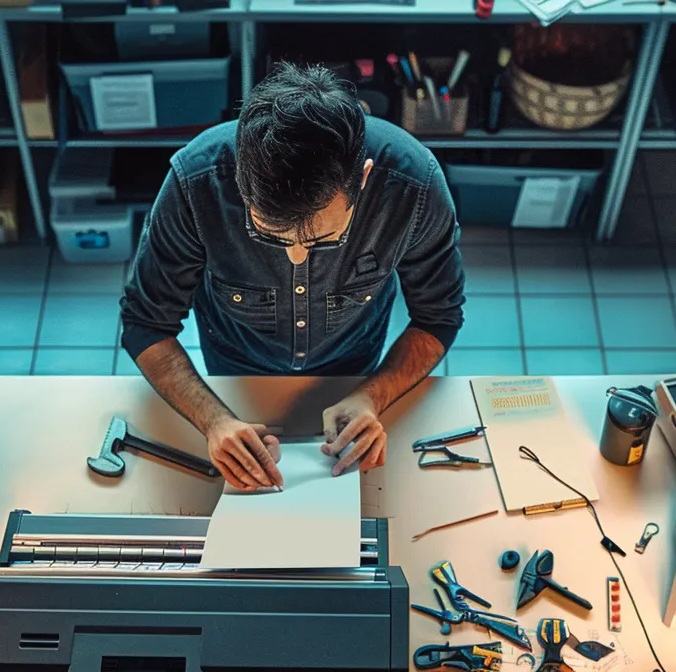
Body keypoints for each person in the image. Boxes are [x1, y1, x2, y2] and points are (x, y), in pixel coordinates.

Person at [119, 63, 467, 491]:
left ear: (362, 178)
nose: (297, 255)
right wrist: (214, 421)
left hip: (354, 370)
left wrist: (372, 396)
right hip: (235, 374)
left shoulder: (415, 185)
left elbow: (438, 316)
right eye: (269, 234)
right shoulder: (196, 182)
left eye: (325, 238)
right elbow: (145, 322)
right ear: (240, 184)